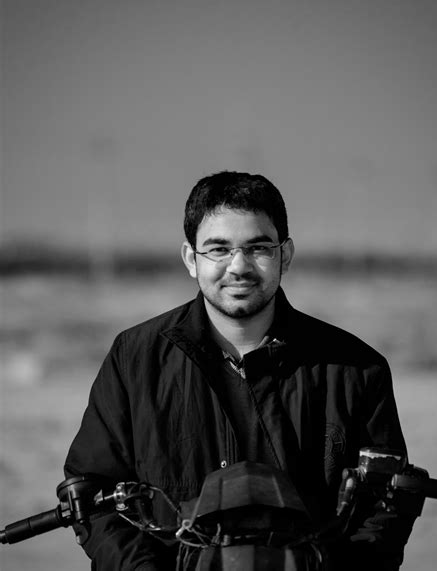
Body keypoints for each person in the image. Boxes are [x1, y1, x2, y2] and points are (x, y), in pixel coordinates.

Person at [65, 171, 418, 570]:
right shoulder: (134, 359)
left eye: (258, 247)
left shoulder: (356, 369)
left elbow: (384, 510)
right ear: (191, 259)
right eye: (218, 249)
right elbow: (93, 494)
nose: (238, 266)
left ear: (285, 255)